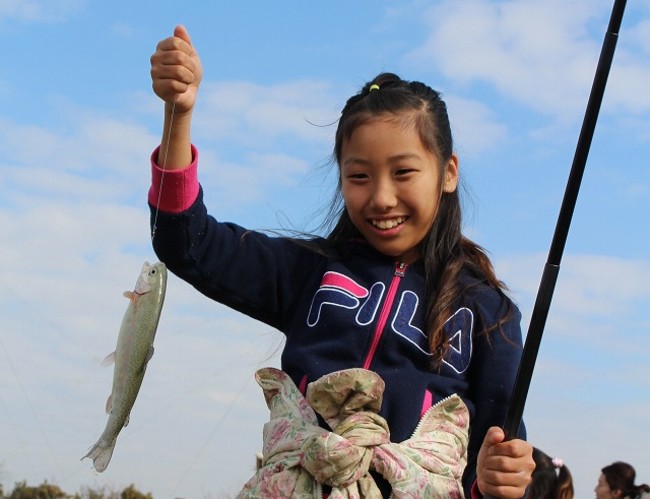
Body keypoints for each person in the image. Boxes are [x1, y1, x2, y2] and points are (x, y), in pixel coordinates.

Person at [148, 24, 534, 498]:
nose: (382, 197)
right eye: (359, 176)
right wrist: (178, 115)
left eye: (404, 172)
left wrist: (501, 479)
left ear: (448, 172)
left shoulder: (489, 314)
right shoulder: (308, 270)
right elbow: (186, 240)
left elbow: (497, 448)